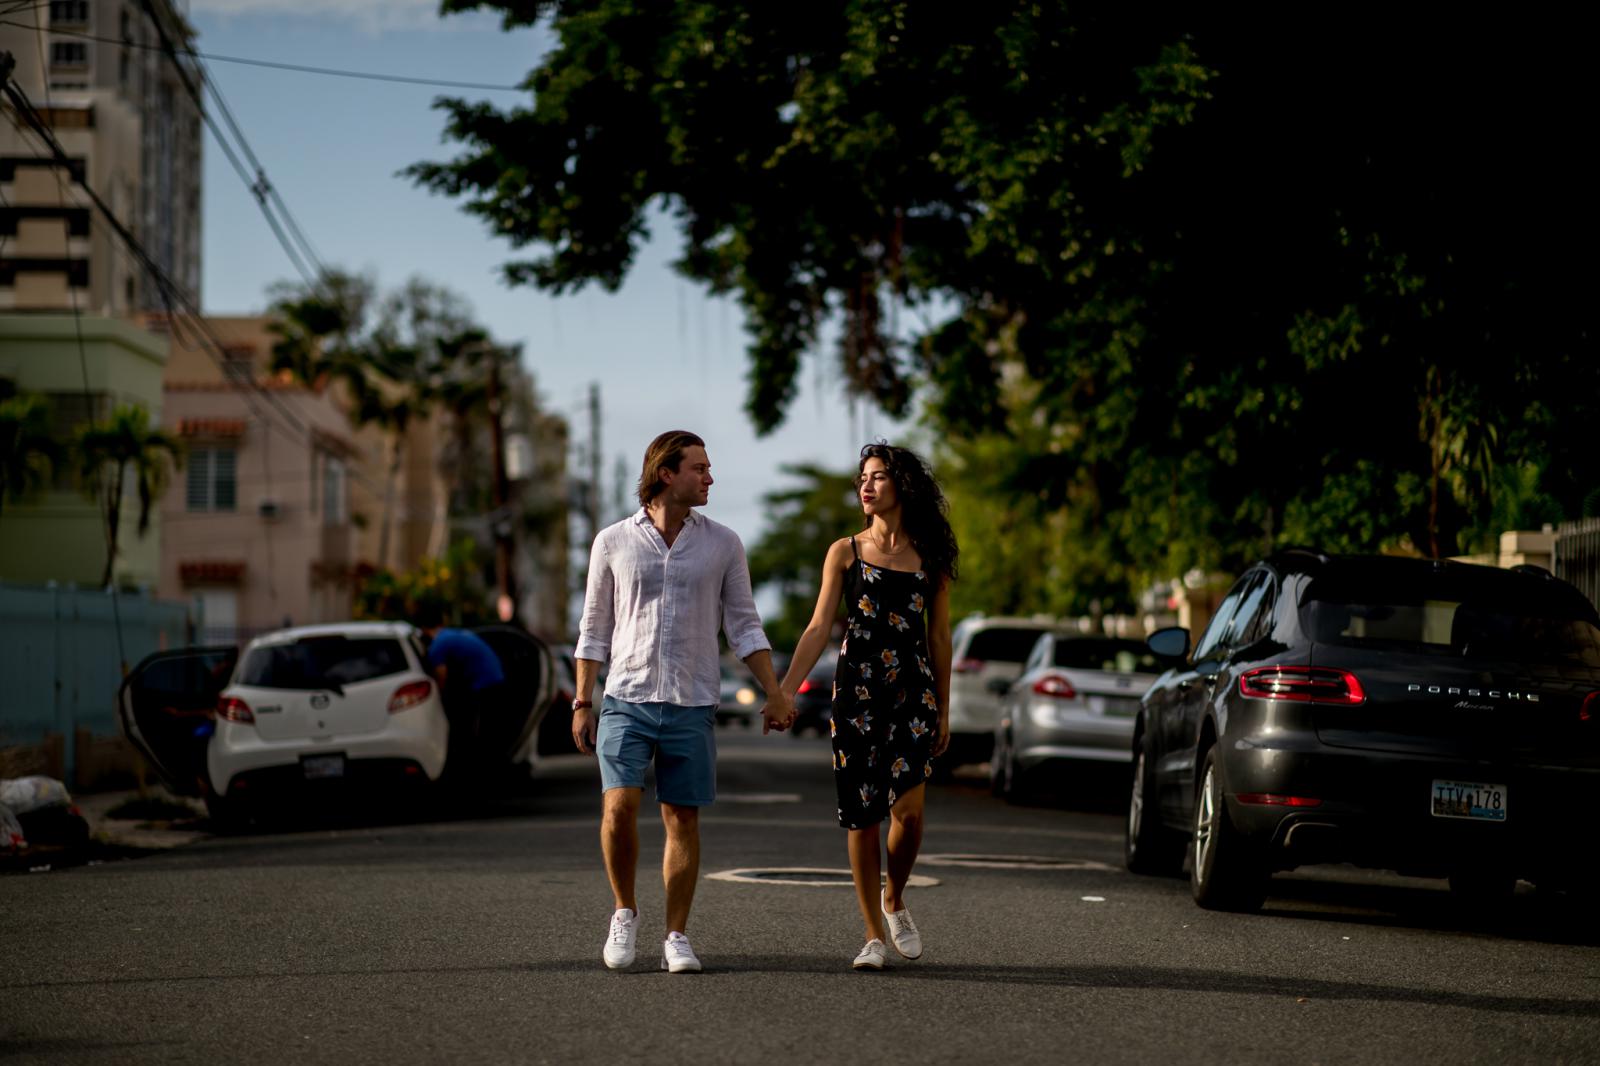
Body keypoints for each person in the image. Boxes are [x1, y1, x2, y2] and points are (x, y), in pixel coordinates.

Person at [572, 430, 795, 974]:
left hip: (691, 700)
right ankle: (624, 911)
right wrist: (582, 699)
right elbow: (594, 627)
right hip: (625, 695)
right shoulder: (612, 542)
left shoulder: (723, 543)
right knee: (618, 807)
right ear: (666, 473)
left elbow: (744, 625)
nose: (710, 477)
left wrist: (775, 690)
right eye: (700, 468)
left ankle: (676, 934)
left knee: (681, 818)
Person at [779, 442, 957, 971]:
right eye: (862, 477)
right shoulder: (845, 552)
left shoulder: (932, 556)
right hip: (856, 690)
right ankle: (873, 934)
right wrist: (785, 690)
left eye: (878, 476)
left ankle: (895, 896)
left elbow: (941, 636)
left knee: (909, 812)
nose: (867, 484)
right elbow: (816, 629)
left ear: (902, 485)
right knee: (862, 816)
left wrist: (944, 708)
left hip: (914, 692)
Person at [415, 603, 511, 781]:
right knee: (488, 728)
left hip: (486, 684)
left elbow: (441, 677)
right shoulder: (452, 635)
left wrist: (439, 699)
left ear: (423, 629)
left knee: (480, 731)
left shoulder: (438, 645)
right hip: (496, 679)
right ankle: (492, 768)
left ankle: (482, 771)